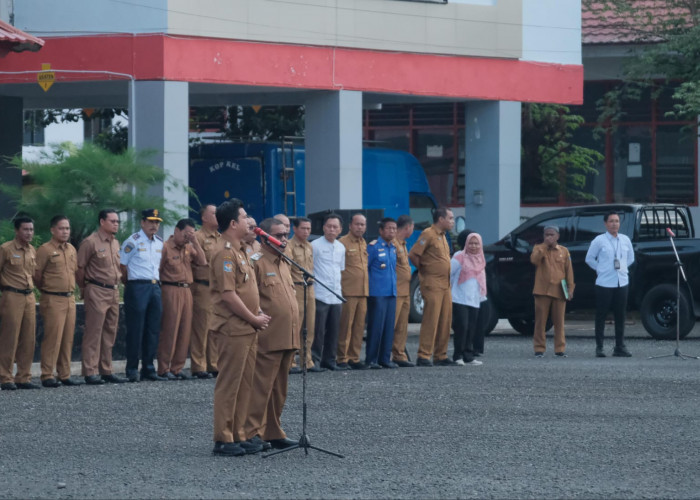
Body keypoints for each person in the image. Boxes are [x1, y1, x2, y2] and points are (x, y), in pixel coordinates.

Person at [210, 199, 270, 457]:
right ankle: (223, 438)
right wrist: (253, 318)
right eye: (244, 217)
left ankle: (239, 434)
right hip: (234, 327)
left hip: (247, 327)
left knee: (245, 384)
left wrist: (256, 312)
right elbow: (228, 294)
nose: (249, 221)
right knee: (230, 383)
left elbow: (246, 290)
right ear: (233, 223)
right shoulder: (225, 252)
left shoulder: (242, 250)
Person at [244, 218, 300, 450]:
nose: (284, 239)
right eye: (279, 234)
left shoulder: (284, 262)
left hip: (287, 335)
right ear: (264, 236)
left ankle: (273, 430)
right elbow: (250, 298)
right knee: (261, 386)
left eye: (286, 234)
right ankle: (251, 431)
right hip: (268, 335)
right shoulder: (255, 262)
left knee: (280, 388)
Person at [34, 215, 83, 388]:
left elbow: (74, 272)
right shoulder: (45, 250)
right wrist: (47, 290)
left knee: (68, 338)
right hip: (53, 298)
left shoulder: (71, 249)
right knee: (53, 338)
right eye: (61, 228)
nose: (65, 231)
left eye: (67, 228)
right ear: (52, 230)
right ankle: (47, 374)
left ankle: (64, 374)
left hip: (69, 298)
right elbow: (37, 276)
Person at [77, 209, 123, 385]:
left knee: (110, 332)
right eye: (112, 221)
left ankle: (106, 369)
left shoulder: (115, 242)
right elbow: (80, 268)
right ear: (102, 222)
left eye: (117, 221)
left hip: (113, 290)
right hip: (97, 289)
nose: (116, 224)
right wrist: (84, 288)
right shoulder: (90, 242)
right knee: (94, 331)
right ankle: (90, 371)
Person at [157, 218, 206, 379]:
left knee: (185, 330)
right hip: (171, 288)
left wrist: (195, 242)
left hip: (187, 290)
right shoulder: (165, 247)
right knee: (170, 329)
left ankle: (177, 368)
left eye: (190, 234)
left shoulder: (188, 248)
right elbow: (158, 268)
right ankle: (164, 368)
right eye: (186, 234)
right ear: (176, 231)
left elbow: (202, 261)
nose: (187, 238)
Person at [120, 209, 165, 382]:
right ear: (142, 222)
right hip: (138, 286)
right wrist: (130, 283)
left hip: (154, 287)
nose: (154, 225)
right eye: (151, 221)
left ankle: (148, 367)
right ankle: (132, 369)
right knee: (135, 329)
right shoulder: (133, 241)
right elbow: (122, 266)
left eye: (157, 222)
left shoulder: (159, 243)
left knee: (153, 329)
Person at [409, 207, 455, 366]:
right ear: (441, 219)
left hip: (445, 284)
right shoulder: (428, 233)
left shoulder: (443, 236)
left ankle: (440, 355)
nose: (453, 222)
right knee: (431, 319)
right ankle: (424, 355)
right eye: (450, 218)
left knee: (445, 319)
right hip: (433, 282)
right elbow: (413, 254)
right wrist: (424, 270)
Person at [585, 212, 635, 357]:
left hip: (622, 281)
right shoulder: (599, 240)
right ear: (606, 223)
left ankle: (619, 346)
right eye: (611, 221)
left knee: (620, 315)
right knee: (601, 315)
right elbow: (589, 259)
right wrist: (600, 269)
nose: (614, 224)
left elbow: (630, 258)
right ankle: (599, 347)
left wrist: (623, 268)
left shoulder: (625, 239)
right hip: (604, 283)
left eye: (617, 221)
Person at [0, 217, 39, 391]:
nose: (29, 233)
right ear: (17, 230)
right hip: (12, 295)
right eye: (25, 229)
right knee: (10, 337)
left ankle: (23, 376)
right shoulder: (6, 249)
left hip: (29, 296)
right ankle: (5, 376)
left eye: (31, 229)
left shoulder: (32, 250)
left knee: (28, 338)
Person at [287, 216, 325, 373]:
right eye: (303, 228)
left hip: (310, 288)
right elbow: (287, 270)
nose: (306, 231)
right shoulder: (289, 246)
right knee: (295, 326)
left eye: (309, 229)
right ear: (294, 229)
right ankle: (291, 362)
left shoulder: (309, 246)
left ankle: (306, 360)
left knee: (309, 327)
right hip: (296, 288)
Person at [530, 225, 575, 358]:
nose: (549, 237)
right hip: (542, 290)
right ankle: (539, 349)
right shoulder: (538, 248)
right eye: (546, 235)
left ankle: (559, 349)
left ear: (557, 236)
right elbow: (534, 260)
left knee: (559, 322)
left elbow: (569, 272)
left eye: (551, 235)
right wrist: (544, 246)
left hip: (559, 291)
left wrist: (570, 289)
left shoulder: (564, 251)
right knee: (540, 322)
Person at [311, 213, 345, 371]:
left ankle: (330, 360)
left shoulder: (341, 247)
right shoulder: (315, 245)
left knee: (334, 330)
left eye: (335, 227)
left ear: (340, 230)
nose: (332, 229)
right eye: (329, 226)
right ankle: (315, 360)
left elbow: (340, 269)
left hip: (336, 295)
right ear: (324, 227)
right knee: (318, 330)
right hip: (320, 294)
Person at [190, 204, 221, 379]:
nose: (217, 216)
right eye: (214, 213)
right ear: (204, 217)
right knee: (201, 328)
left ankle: (213, 364)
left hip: (218, 289)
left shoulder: (221, 237)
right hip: (202, 286)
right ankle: (198, 365)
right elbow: (199, 261)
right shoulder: (198, 236)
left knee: (215, 328)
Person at [336, 213, 368, 370]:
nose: (360, 227)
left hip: (363, 291)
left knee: (359, 327)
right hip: (348, 291)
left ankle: (354, 357)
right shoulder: (342, 243)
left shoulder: (364, 243)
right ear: (350, 225)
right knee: (346, 326)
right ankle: (342, 358)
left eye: (363, 224)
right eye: (357, 224)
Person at [365, 218, 398, 369]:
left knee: (389, 327)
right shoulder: (373, 247)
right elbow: (366, 268)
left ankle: (385, 358)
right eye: (389, 228)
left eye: (394, 229)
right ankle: (371, 359)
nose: (392, 231)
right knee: (376, 326)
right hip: (377, 293)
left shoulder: (393, 248)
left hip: (391, 292)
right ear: (381, 230)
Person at [450, 231, 486, 366]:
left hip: (474, 298)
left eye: (476, 243)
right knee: (462, 327)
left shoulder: (480, 257)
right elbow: (449, 272)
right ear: (466, 243)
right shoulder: (459, 256)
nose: (474, 246)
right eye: (471, 243)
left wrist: (482, 296)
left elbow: (481, 279)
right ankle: (457, 355)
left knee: (472, 328)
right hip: (459, 298)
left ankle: (468, 355)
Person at [391, 215, 415, 367]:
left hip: (405, 291)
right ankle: (386, 355)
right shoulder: (393, 244)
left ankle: (399, 355)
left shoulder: (403, 244)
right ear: (408, 228)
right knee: (392, 325)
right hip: (396, 291)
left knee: (402, 326)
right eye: (412, 228)